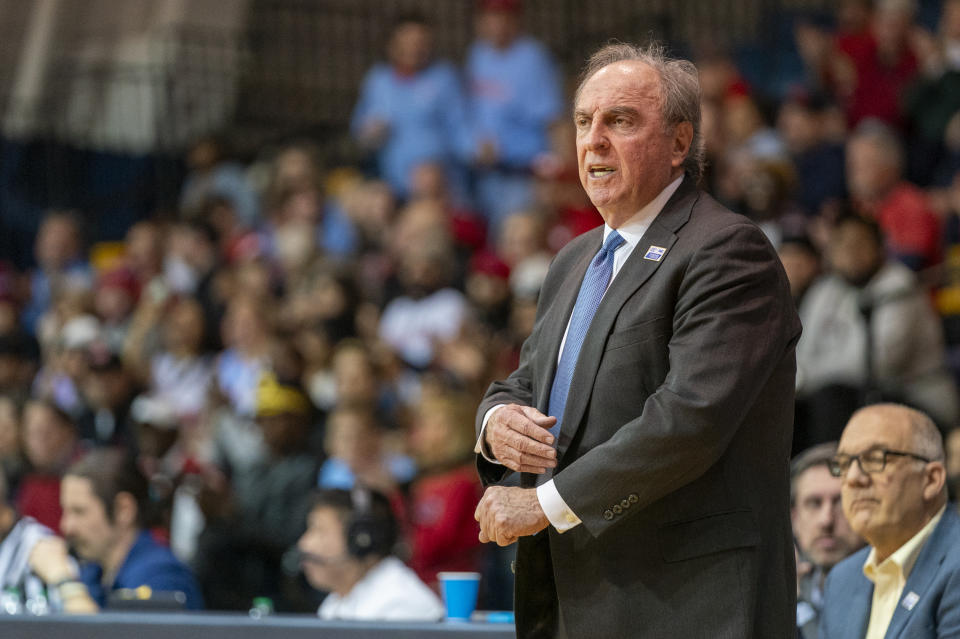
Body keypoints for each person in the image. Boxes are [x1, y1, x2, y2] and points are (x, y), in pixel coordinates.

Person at [473, 42, 801, 638]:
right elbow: (525, 382)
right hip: (581, 600)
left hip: (687, 607)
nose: (593, 140)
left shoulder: (727, 250)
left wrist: (543, 505)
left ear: (680, 143)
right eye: (582, 121)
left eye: (620, 121)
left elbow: (690, 419)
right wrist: (495, 423)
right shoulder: (574, 259)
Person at [819, 404, 960, 638]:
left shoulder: (955, 566)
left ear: (931, 480)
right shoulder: (841, 580)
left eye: (875, 459)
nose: (854, 478)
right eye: (844, 464)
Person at [59, 448, 203, 609]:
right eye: (65, 511)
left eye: (79, 512)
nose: (66, 526)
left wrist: (65, 583)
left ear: (124, 510)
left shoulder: (161, 577)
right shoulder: (94, 573)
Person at [297, 487, 444, 621]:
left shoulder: (400, 606)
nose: (304, 544)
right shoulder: (336, 601)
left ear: (362, 540)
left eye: (319, 530)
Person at [791, 442, 864, 638]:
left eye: (840, 501)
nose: (827, 520)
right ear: (794, 519)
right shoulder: (779, 597)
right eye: (814, 503)